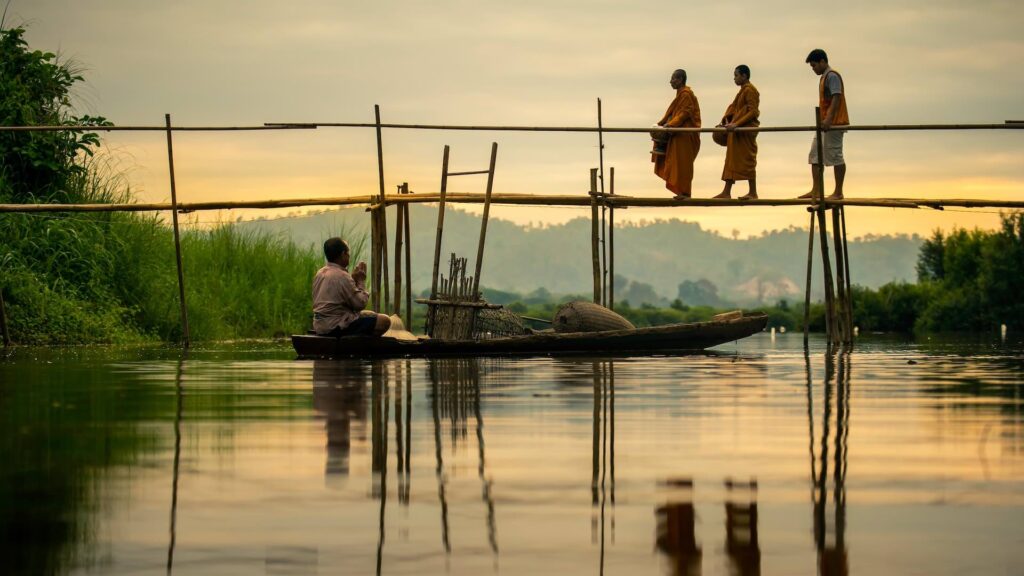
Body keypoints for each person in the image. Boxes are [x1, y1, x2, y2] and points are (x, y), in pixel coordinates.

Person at [312, 237, 390, 337]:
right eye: (348, 252)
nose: (349, 255)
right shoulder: (341, 275)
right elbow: (360, 304)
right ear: (343, 254)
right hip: (335, 327)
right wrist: (360, 280)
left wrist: (353, 279)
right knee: (384, 320)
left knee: (369, 313)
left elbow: (341, 299)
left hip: (321, 326)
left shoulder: (320, 273)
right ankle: (357, 346)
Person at [800, 48, 850, 200]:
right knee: (815, 156)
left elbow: (836, 97)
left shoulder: (832, 76)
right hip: (824, 123)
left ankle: (838, 192)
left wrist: (829, 119)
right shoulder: (823, 77)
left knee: (835, 155)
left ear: (823, 61)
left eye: (814, 65)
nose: (814, 69)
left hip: (834, 123)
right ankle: (816, 190)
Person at [653, 69, 702, 198]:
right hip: (678, 133)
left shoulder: (686, 94)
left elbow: (685, 113)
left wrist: (670, 125)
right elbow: (673, 113)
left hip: (685, 134)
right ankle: (681, 191)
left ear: (680, 80)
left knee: (683, 163)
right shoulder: (681, 94)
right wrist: (662, 124)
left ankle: (685, 192)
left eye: (673, 78)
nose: (670, 81)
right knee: (677, 163)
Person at [714, 65, 760, 200]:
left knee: (748, 160)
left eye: (736, 75)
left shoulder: (751, 90)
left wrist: (736, 124)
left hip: (745, 131)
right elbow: (734, 109)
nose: (734, 78)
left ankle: (753, 192)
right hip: (736, 131)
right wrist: (727, 123)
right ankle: (726, 192)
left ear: (744, 76)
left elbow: (753, 111)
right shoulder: (742, 91)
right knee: (731, 160)